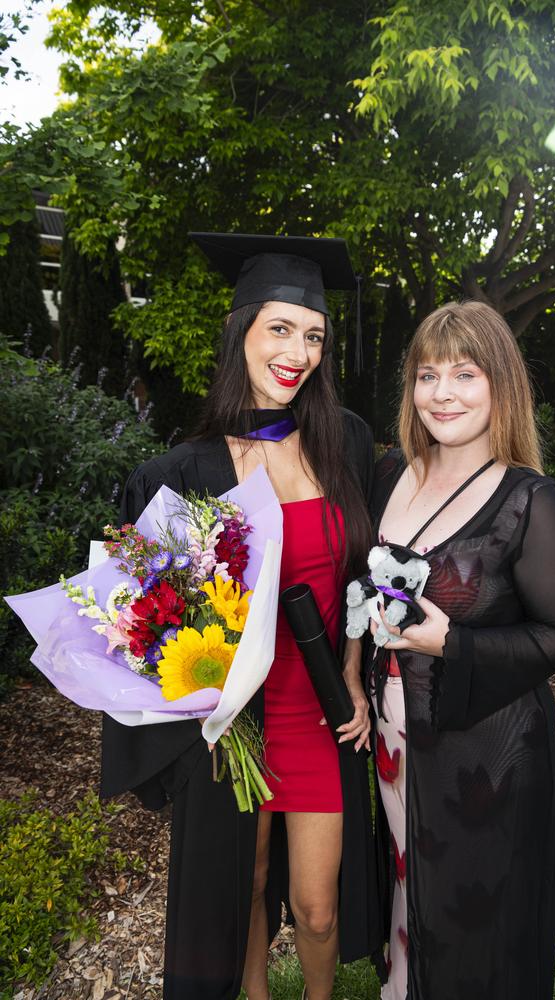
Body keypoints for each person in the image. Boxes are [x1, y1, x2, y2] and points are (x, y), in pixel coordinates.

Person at [101, 233, 382, 1000]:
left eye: (314, 335)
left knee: (320, 911)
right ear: (242, 334)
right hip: (239, 725)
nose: (298, 352)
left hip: (320, 710)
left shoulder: (346, 444)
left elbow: (366, 573)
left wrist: (356, 674)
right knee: (247, 882)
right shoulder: (183, 475)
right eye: (280, 330)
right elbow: (143, 620)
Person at [367, 300, 555, 1000]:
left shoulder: (530, 501)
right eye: (426, 374)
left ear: (500, 385)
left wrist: (450, 640)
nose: (442, 393)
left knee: (479, 921)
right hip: (395, 741)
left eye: (465, 374)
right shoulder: (390, 475)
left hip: (486, 758)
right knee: (409, 891)